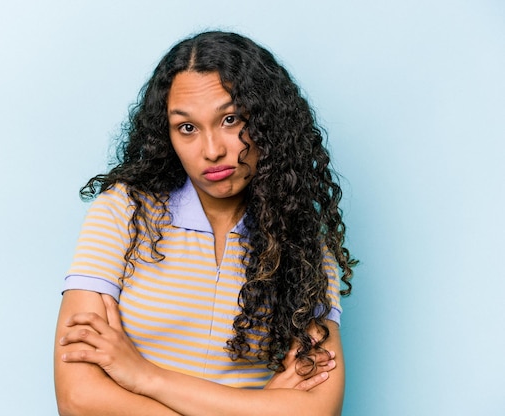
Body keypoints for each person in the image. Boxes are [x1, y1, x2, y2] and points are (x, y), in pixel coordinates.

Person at [54, 30, 357, 416]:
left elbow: (316, 411)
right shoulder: (123, 211)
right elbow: (77, 399)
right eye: (187, 128)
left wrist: (145, 376)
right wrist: (258, 407)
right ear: (166, 135)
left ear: (268, 123)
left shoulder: (302, 242)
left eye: (231, 120)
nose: (212, 151)